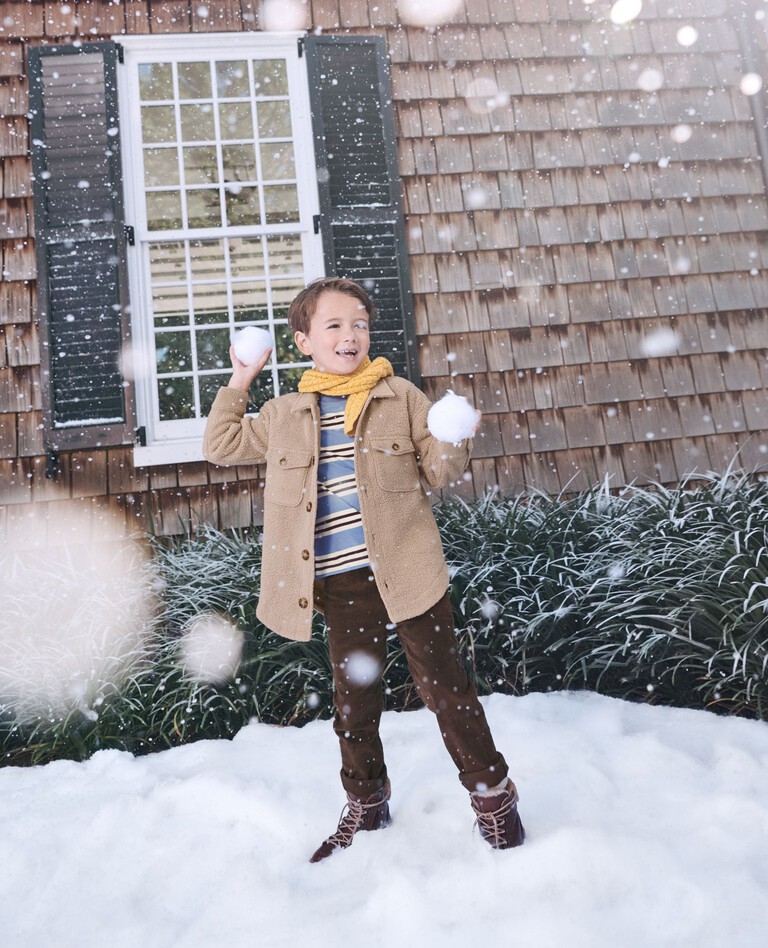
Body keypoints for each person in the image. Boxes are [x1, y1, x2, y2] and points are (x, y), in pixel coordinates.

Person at [203, 277, 525, 861]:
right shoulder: (283, 414)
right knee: (356, 702)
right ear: (303, 340)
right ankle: (367, 801)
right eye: (333, 325)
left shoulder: (399, 397)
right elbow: (221, 443)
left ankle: (494, 799)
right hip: (341, 585)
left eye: (359, 325)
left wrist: (455, 435)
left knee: (447, 691)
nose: (349, 335)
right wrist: (242, 377)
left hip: (408, 573)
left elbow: (438, 470)